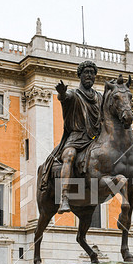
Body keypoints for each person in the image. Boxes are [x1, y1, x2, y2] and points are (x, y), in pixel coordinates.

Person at [40, 61, 102, 213]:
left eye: (92, 73)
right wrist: (61, 93)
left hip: (94, 140)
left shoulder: (99, 97)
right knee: (69, 155)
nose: (89, 75)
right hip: (76, 138)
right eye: (86, 72)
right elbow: (65, 97)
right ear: (80, 75)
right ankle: (65, 197)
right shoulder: (74, 94)